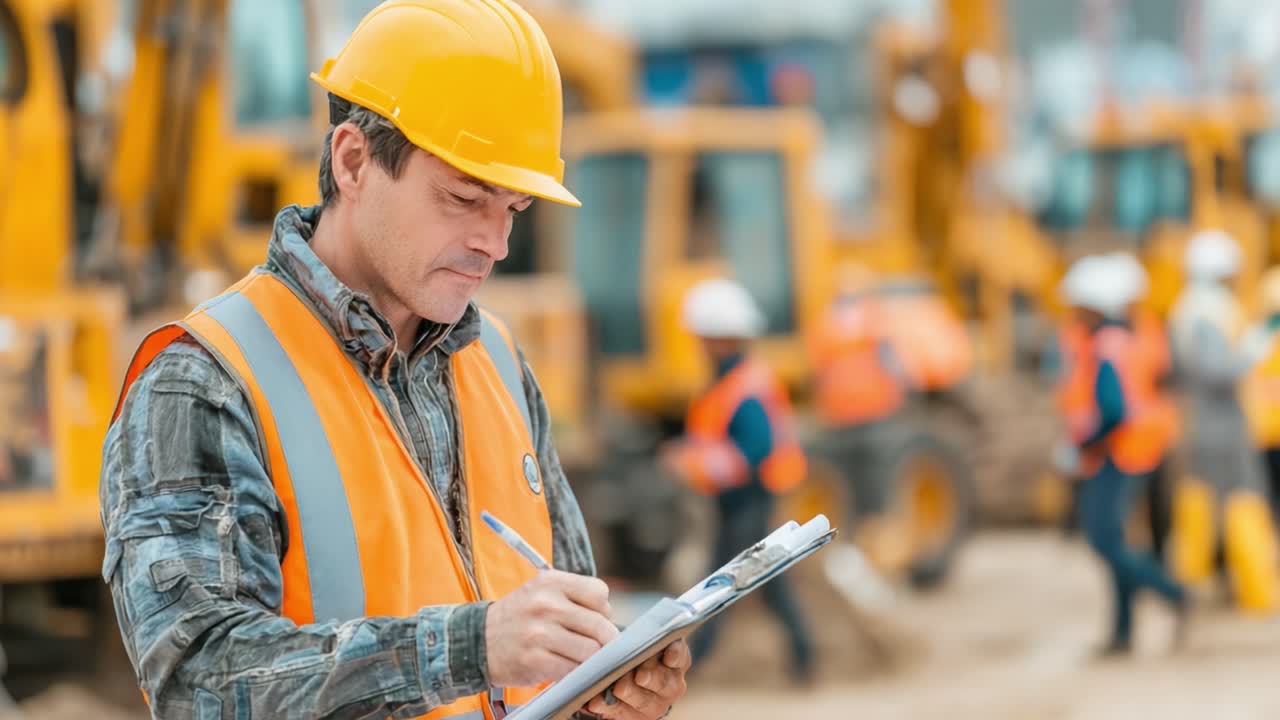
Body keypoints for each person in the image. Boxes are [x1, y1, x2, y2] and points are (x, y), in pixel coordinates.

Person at [99, 2, 690, 718]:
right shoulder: (205, 381)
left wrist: (606, 689)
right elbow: (199, 681)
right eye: (465, 197)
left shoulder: (498, 363)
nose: (494, 243)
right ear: (353, 161)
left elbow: (544, 641)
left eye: (512, 209)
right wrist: (472, 647)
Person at [662, 278, 816, 684]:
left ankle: (697, 665)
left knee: (722, 581)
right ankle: (804, 659)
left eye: (705, 338)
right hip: (735, 500)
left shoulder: (745, 385)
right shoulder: (728, 383)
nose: (700, 345)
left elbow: (754, 451)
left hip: (752, 498)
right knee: (762, 583)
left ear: (722, 339)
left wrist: (693, 465)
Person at [1059, 256, 1190, 655]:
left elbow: (1113, 409)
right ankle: (1121, 633)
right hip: (1129, 451)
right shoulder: (1128, 336)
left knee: (1105, 541)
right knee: (1115, 539)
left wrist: (1084, 443)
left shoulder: (1107, 345)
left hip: (1118, 453)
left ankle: (1173, 593)